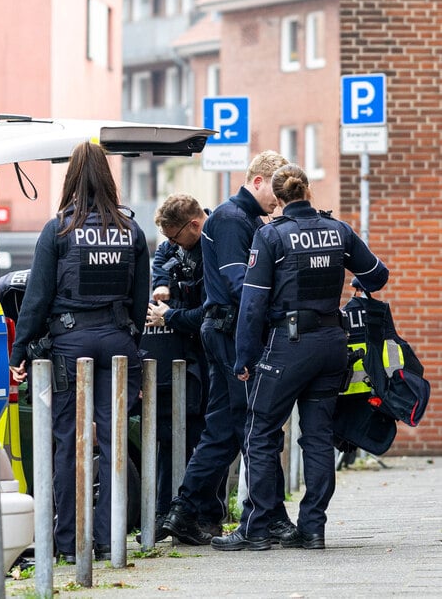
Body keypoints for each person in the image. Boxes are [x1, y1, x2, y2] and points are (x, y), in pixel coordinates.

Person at [212, 164, 389, 551]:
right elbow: (377, 275)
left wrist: (244, 358)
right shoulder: (338, 231)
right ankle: (312, 528)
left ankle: (256, 528)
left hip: (288, 346)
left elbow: (253, 304)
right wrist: (356, 284)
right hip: (333, 344)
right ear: (308, 191)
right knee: (319, 437)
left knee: (261, 431)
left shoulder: (270, 236)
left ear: (278, 198)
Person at [9, 141, 148, 563]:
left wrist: (19, 352)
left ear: (71, 179)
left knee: (67, 441)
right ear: (108, 178)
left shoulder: (59, 230)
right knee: (113, 442)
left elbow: (36, 299)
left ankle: (68, 542)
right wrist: (131, 344)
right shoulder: (131, 231)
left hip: (70, 345)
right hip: (118, 344)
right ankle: (108, 539)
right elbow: (140, 301)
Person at [161, 150, 294, 545]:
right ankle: (270, 517)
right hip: (232, 333)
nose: (279, 200)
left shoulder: (243, 218)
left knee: (224, 428)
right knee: (256, 425)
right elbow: (242, 286)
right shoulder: (234, 219)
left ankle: (184, 510)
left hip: (226, 331)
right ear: (258, 181)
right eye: (275, 192)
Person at [143, 194, 216, 541]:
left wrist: (170, 316)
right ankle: (166, 513)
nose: (173, 243)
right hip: (183, 355)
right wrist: (161, 281)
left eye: (176, 236)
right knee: (172, 434)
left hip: (209, 356)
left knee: (206, 436)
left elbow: (210, 312)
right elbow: (162, 255)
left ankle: (204, 516)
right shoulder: (176, 244)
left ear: (194, 225)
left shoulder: (215, 246)